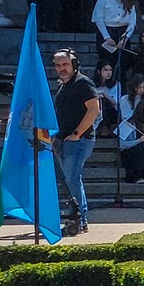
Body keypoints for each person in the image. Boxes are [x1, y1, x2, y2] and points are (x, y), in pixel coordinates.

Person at [51, 48, 97, 235]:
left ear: (74, 64)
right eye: (58, 65)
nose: (62, 68)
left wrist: (77, 133)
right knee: (72, 180)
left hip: (80, 140)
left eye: (65, 64)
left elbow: (94, 110)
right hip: (64, 140)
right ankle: (79, 219)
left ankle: (79, 220)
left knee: (72, 179)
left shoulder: (83, 83)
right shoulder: (63, 86)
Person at [91, 0, 138, 86]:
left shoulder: (130, 3)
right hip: (106, 32)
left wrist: (125, 38)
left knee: (122, 64)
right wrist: (107, 37)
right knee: (106, 63)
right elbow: (98, 19)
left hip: (122, 32)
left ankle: (119, 88)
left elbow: (132, 22)